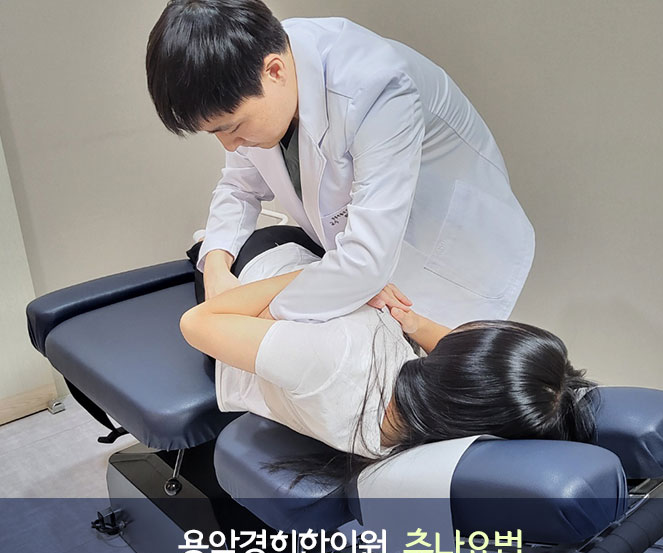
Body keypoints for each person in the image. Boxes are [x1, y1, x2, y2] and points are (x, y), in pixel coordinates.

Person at [146, 0, 535, 328]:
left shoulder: (376, 88)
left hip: (452, 251)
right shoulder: (255, 71)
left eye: (231, 127)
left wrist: (253, 319)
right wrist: (216, 266)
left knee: (443, 375)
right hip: (366, 259)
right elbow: (239, 186)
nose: (229, 145)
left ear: (275, 71)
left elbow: (366, 262)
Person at [179, 241, 597, 484]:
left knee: (216, 244)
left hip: (256, 278)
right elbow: (461, 358)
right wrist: (412, 322)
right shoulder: (424, 424)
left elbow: (197, 323)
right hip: (298, 311)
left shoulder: (333, 358)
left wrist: (328, 276)